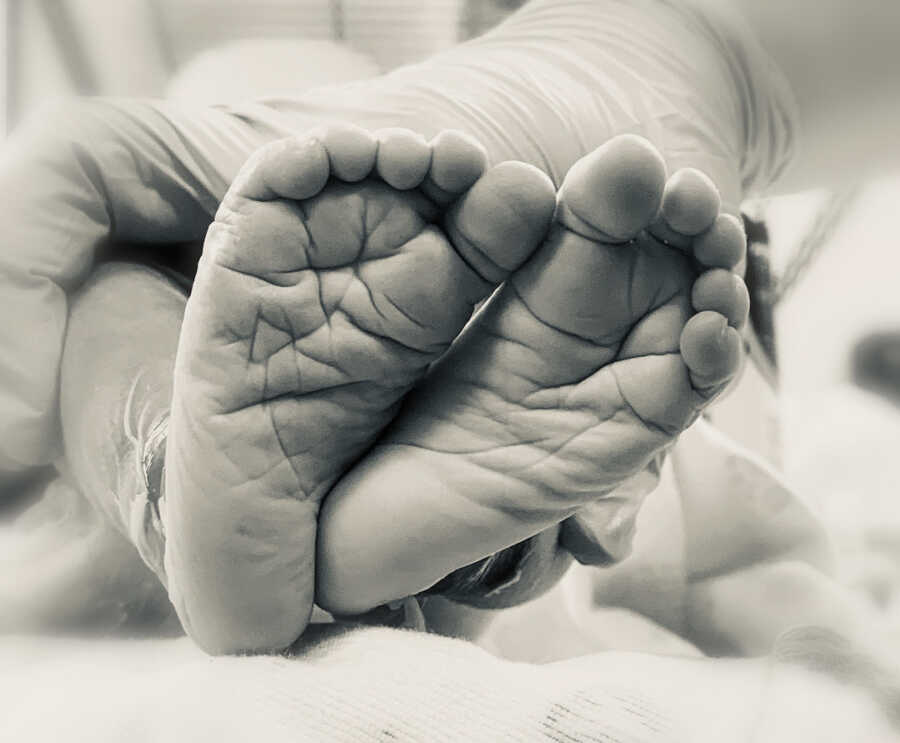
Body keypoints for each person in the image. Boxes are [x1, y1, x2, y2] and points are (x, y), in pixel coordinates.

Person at [0, 0, 894, 659]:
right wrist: (815, 647)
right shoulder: (666, 324)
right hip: (523, 327)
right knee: (663, 494)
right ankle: (435, 548)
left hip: (334, 219)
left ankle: (169, 481)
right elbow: (762, 565)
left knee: (115, 292)